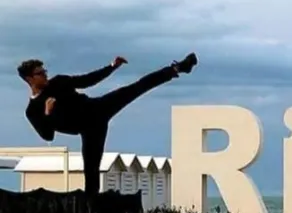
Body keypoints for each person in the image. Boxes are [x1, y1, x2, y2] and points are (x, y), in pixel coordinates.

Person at [19, 53, 199, 197]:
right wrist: (48, 113)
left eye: (45, 71)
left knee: (135, 88)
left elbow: (88, 80)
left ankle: (178, 68)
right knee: (91, 171)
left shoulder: (58, 82)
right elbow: (47, 135)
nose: (45, 75)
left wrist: (112, 67)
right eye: (40, 73)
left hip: (97, 108)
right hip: (88, 129)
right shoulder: (33, 110)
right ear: (29, 79)